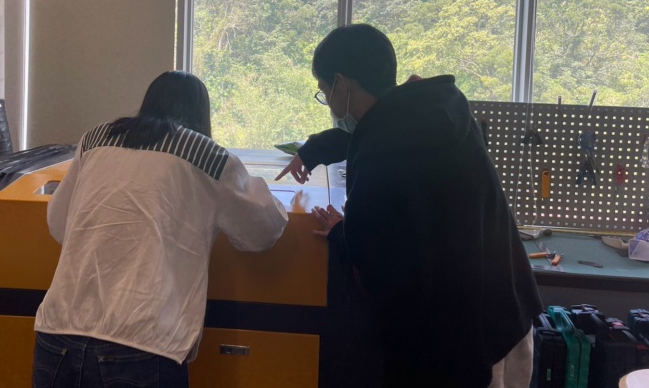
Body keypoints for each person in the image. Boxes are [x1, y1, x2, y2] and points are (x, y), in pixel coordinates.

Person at [277, 24, 542, 388]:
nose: (328, 101)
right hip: (506, 319)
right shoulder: (435, 108)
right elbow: (371, 135)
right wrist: (314, 150)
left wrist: (342, 231)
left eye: (324, 91)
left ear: (341, 83)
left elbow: (376, 264)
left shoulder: (381, 149)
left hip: (463, 348)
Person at [33, 71, 288, 388]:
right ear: (200, 113)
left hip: (58, 332)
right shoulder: (207, 156)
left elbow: (59, 223)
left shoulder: (94, 139)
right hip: (142, 342)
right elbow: (262, 231)